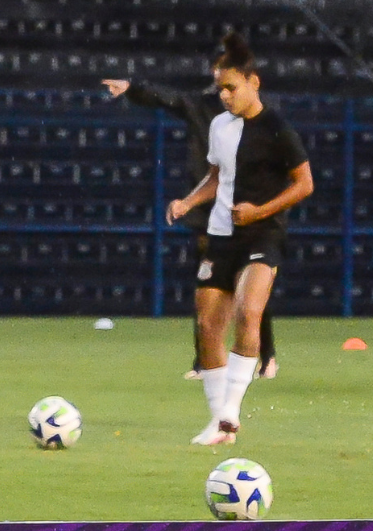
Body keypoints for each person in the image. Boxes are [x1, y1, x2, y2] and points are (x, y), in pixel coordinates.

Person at [163, 33, 311, 446]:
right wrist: (188, 201)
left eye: (231, 87)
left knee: (249, 312)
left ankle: (231, 412)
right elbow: (217, 176)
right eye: (220, 88)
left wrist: (260, 211)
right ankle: (218, 421)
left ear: (253, 82)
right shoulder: (219, 127)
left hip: (263, 232)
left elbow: (305, 184)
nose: (224, 96)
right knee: (208, 324)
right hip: (221, 234)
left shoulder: (278, 129)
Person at [105, 53, 282, 381]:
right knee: (208, 285)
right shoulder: (200, 106)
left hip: (243, 205)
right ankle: (205, 361)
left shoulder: (259, 113)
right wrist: (132, 88)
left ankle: (266, 356)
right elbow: (167, 98)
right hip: (208, 209)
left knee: (250, 283)